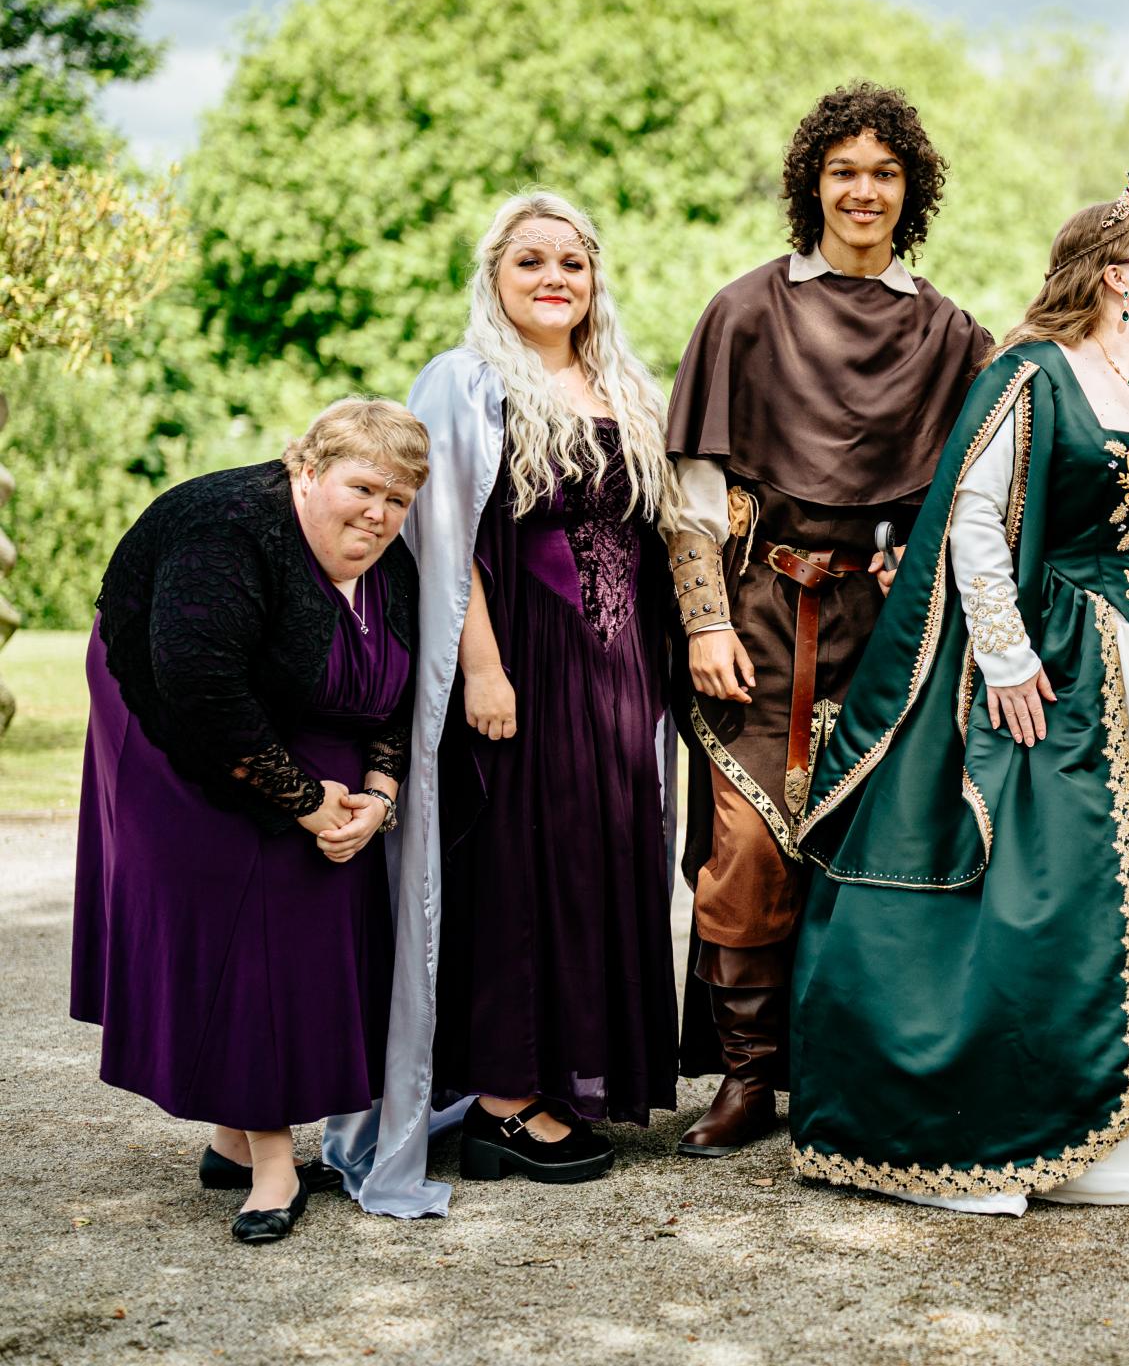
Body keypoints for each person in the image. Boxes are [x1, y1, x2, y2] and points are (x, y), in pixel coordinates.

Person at [784, 181, 1129, 1213]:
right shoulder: (1035, 373)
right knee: (1059, 891)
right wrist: (1011, 657)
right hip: (1063, 660)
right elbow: (975, 519)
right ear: (1115, 274)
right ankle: (1048, 1108)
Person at [330, 192, 684, 1212]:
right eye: (529, 260)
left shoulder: (624, 382)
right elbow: (444, 536)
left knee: (598, 863)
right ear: (495, 274)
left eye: (572, 260)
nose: (553, 277)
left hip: (618, 671)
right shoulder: (467, 380)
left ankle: (570, 1069)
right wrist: (483, 668)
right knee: (519, 868)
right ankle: (500, 1096)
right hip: (519, 662)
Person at [663, 84, 991, 1158]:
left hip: (882, 627)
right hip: (755, 614)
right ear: (812, 182)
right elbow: (694, 494)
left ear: (913, 190)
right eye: (844, 169)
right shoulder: (746, 310)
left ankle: (843, 1067)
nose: (863, 190)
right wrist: (706, 624)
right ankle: (751, 1077)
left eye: (885, 172)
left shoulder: (948, 332)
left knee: (864, 851)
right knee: (749, 848)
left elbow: (974, 498)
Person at [72, 399, 424, 1244]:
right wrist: (304, 802)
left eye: (399, 498)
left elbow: (400, 678)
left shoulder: (390, 558)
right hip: (165, 710)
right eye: (362, 487)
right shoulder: (224, 529)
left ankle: (232, 1137)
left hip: (289, 711)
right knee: (245, 908)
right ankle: (270, 1165)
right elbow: (200, 685)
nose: (379, 514)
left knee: (314, 906)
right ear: (306, 471)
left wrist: (376, 793)